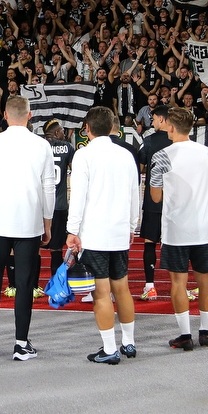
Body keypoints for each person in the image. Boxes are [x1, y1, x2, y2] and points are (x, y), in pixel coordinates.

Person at [0, 96, 55, 360]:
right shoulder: (42, 145)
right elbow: (48, 188)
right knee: (25, 284)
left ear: (5, 116)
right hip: (29, 225)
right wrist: (47, 223)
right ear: (29, 116)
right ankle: (21, 343)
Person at [66, 106, 140, 364]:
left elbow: (78, 196)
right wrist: (132, 225)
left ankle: (110, 349)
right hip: (119, 231)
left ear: (87, 129)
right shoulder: (126, 155)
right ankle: (129, 343)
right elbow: (134, 193)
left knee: (101, 292)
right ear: (112, 127)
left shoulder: (83, 155)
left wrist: (72, 231)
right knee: (122, 288)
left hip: (94, 234)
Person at [149, 107, 208, 351]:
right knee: (206, 280)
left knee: (178, 283)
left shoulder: (162, 156)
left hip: (176, 227)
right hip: (203, 226)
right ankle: (205, 332)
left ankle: (185, 335)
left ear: (170, 126)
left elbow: (155, 197)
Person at [137, 105, 171, 301]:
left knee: (150, 242)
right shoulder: (181, 141)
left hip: (153, 201)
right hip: (175, 201)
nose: (152, 122)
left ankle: (150, 285)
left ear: (161, 119)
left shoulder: (148, 141)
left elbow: (140, 167)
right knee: (177, 245)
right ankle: (179, 286)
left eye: (154, 118)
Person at [41, 120, 74, 287]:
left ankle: (32, 286)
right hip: (59, 205)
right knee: (56, 250)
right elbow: (75, 170)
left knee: (34, 249)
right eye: (62, 130)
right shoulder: (67, 147)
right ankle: (57, 284)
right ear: (56, 133)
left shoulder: (38, 146)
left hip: (39, 206)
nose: (64, 133)